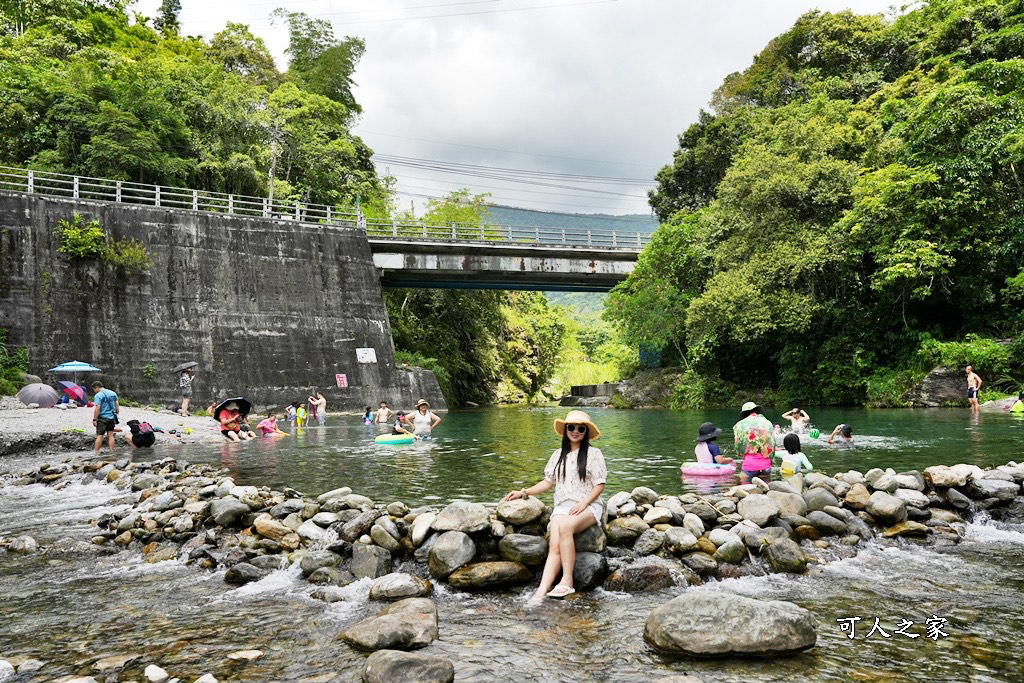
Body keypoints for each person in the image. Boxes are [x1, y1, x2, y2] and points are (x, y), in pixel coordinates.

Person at [504, 410, 606, 601]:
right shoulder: (557, 455)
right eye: (572, 427)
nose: (575, 431)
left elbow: (600, 485)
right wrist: (524, 492)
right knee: (554, 543)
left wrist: (584, 503)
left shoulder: (594, 454)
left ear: (586, 432)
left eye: (581, 429)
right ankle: (541, 591)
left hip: (588, 505)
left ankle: (567, 581)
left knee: (566, 526)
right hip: (562, 506)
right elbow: (548, 482)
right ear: (566, 429)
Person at [733, 401, 775, 483]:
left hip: (750, 464)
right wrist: (771, 460)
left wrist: (740, 455)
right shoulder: (768, 423)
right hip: (766, 464)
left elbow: (738, 445)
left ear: (744, 414)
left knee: (745, 489)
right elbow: (772, 444)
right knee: (766, 489)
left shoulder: (739, 425)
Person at [92, 381, 119, 453]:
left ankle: (96, 452)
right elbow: (117, 406)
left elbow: (98, 408)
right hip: (111, 417)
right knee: (110, 435)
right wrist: (116, 413)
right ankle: (111, 451)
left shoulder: (98, 395)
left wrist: (94, 419)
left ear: (97, 387)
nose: (94, 391)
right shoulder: (113, 393)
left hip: (102, 418)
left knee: (100, 435)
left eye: (94, 389)